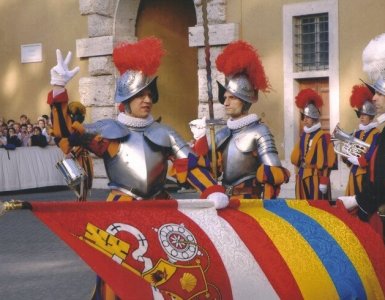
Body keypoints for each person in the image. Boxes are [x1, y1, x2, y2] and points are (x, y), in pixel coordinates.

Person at [48, 38, 229, 299]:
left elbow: (190, 165)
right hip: (121, 210)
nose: (147, 100)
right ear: (126, 98)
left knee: (165, 271)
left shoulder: (164, 133)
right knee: (117, 276)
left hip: (159, 210)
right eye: (140, 95)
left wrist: (212, 190)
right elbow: (66, 135)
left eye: (149, 94)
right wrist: (58, 89)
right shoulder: (108, 131)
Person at [190, 40, 290, 199]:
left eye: (232, 98)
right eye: (225, 98)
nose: (226, 102)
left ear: (244, 101)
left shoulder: (259, 132)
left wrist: (267, 207)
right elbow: (202, 165)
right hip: (224, 200)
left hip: (250, 202)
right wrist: (199, 139)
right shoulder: (223, 133)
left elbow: (273, 174)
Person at [290, 88, 336, 200]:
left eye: (307, 117)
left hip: (316, 178)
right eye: (304, 117)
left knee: (318, 208)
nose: (304, 120)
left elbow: (326, 163)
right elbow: (296, 158)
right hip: (302, 175)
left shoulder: (323, 137)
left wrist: (324, 181)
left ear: (314, 118)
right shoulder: (304, 135)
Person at [343, 84, 379, 196]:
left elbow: (373, 154)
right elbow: (348, 152)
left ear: (371, 116)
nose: (362, 117)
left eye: (365, 115)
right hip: (353, 173)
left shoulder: (376, 134)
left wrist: (359, 160)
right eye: (360, 114)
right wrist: (344, 153)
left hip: (366, 176)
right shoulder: (357, 133)